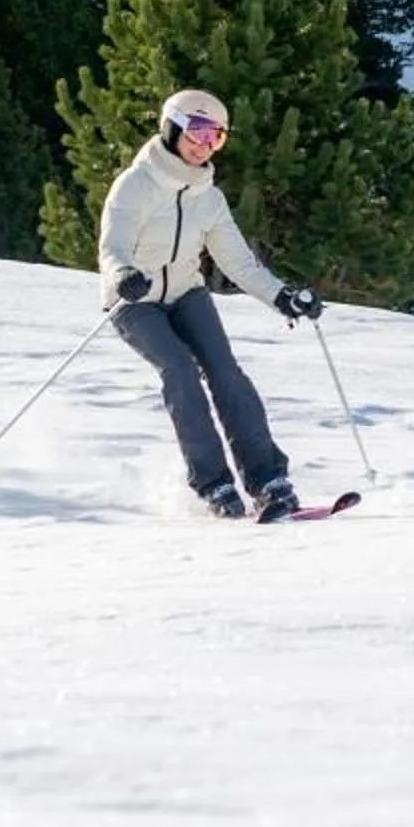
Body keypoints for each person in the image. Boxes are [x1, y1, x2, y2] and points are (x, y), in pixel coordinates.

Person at [96, 87, 327, 522]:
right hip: (134, 301)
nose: (205, 145)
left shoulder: (209, 197)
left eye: (216, 137)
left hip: (185, 293)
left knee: (226, 372)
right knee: (179, 370)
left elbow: (238, 261)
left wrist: (282, 297)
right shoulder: (135, 185)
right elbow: (113, 246)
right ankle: (215, 484)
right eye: (198, 132)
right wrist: (123, 275)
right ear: (171, 129)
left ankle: (268, 480)